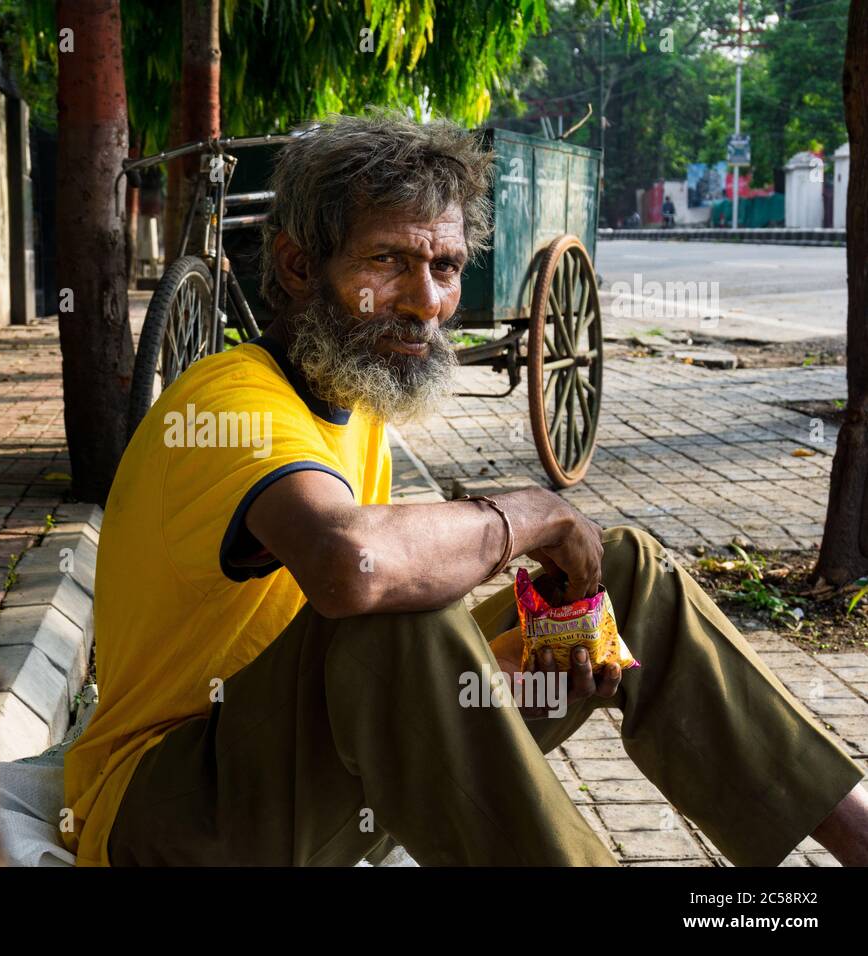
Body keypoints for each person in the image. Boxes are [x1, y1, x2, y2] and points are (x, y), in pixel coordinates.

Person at [61, 109, 868, 867]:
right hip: (163, 816)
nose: (425, 303)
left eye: (443, 267)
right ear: (299, 267)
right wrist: (535, 511)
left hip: (298, 779)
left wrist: (479, 691)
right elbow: (356, 568)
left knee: (620, 573)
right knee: (386, 619)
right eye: (387, 261)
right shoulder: (225, 404)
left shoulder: (357, 407)